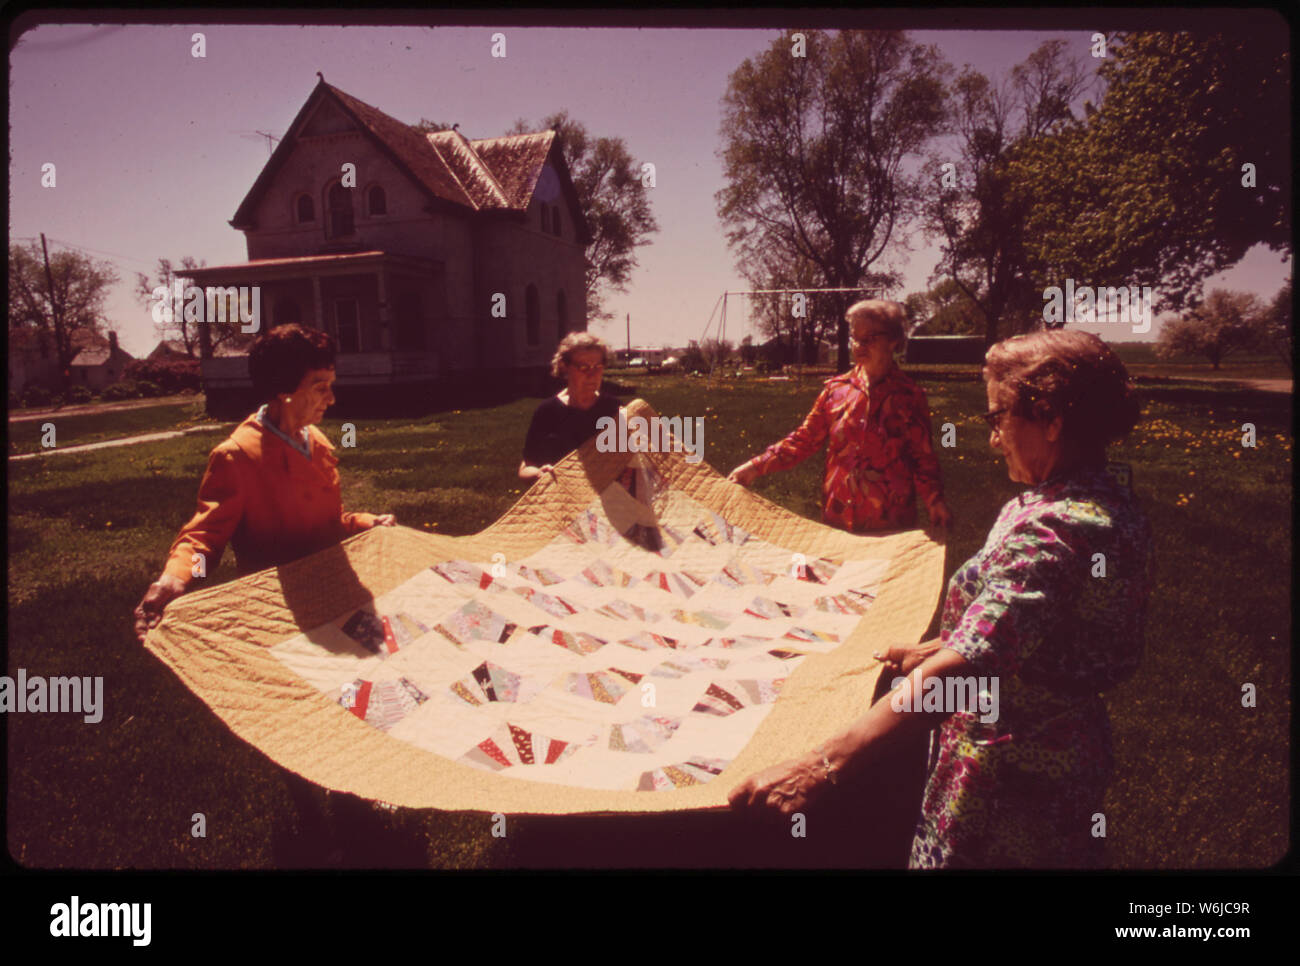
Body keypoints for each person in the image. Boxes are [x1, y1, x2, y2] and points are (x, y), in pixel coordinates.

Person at [729, 329, 1152, 869]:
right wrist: (940, 645)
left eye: (997, 418)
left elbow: (970, 668)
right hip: (1063, 755)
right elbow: (1037, 627)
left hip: (1010, 778)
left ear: (1052, 420)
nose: (994, 440)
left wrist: (821, 765)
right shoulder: (1102, 498)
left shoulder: (1059, 529)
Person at [132, 322, 397, 866]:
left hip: (338, 596)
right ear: (284, 392)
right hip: (281, 612)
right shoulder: (238, 455)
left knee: (356, 699)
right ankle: (314, 822)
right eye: (320, 385)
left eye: (330, 382)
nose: (332, 396)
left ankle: (354, 794)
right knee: (299, 719)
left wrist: (365, 521)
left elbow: (326, 523)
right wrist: (174, 579)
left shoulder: (318, 442)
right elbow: (206, 536)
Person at [727, 299, 953, 531]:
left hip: (891, 523)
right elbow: (804, 439)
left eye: (870, 339)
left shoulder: (910, 396)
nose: (859, 346)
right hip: (838, 519)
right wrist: (756, 466)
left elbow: (923, 457)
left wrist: (934, 500)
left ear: (894, 340)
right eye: (855, 338)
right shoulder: (835, 390)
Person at [519, 332, 620, 481]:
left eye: (598, 366)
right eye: (583, 367)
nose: (592, 375)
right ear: (564, 366)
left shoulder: (614, 409)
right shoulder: (548, 412)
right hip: (563, 497)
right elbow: (526, 466)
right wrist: (539, 473)